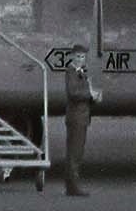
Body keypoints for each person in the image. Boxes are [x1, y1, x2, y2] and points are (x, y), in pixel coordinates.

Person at [41, 44, 101, 197]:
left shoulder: (82, 72)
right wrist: (90, 94)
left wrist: (93, 98)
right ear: (73, 57)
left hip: (81, 116)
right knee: (74, 153)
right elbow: (73, 93)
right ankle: (72, 186)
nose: (81, 60)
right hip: (76, 117)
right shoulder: (71, 72)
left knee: (77, 152)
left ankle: (72, 185)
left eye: (83, 57)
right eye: (79, 57)